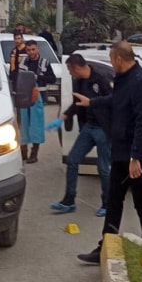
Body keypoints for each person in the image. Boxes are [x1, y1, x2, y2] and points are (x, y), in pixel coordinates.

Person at [75, 42, 142, 265]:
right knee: (114, 199)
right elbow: (116, 101)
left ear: (119, 58)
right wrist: (92, 102)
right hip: (121, 150)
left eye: (111, 59)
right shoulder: (123, 78)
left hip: (137, 154)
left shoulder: (139, 82)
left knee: (141, 201)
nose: (111, 64)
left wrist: (135, 157)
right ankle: (105, 247)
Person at [52, 53, 113, 217]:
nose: (69, 73)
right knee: (72, 160)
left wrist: (92, 102)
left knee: (103, 168)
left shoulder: (101, 79)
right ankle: (69, 200)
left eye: (69, 70)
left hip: (103, 128)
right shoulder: (79, 81)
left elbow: (113, 99)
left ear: (77, 68)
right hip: (88, 127)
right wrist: (64, 116)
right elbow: (77, 103)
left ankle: (108, 203)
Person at [17, 40, 56, 163]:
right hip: (24, 96)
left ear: (37, 49)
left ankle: (34, 153)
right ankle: (23, 151)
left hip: (38, 97)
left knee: (36, 124)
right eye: (28, 50)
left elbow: (52, 79)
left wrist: (38, 77)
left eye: (33, 49)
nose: (31, 52)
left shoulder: (44, 63)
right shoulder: (23, 62)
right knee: (23, 124)